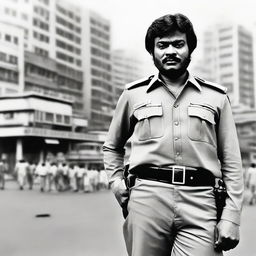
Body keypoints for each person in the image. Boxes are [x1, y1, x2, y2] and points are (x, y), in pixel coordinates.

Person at [103, 13, 244, 256]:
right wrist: (116, 183)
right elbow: (112, 146)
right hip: (147, 199)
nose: (170, 51)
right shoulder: (133, 95)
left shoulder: (216, 97)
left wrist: (231, 217)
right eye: (162, 45)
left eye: (178, 44)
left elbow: (232, 161)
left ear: (190, 49)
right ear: (153, 52)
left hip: (201, 202)